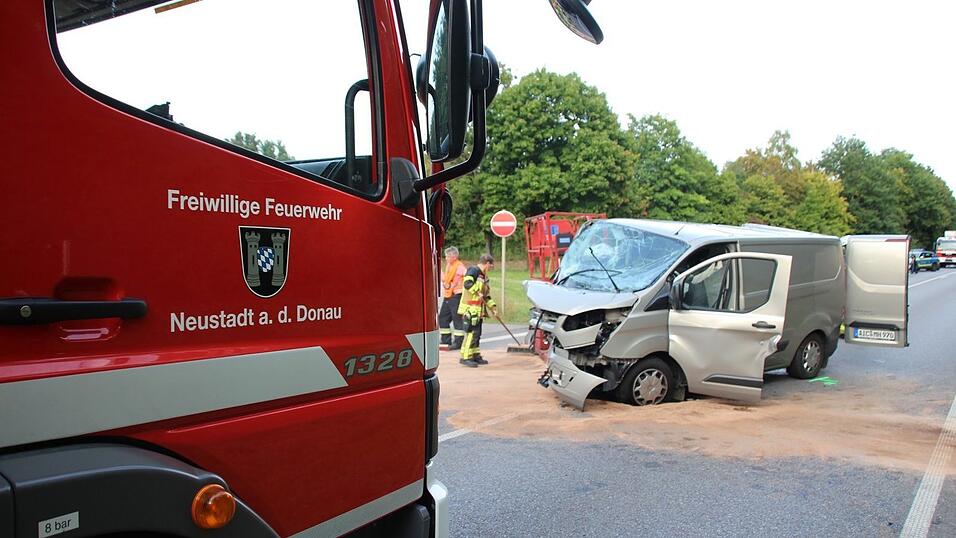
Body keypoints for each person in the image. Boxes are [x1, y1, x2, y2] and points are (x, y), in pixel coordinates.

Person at [457, 253, 496, 367]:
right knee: (471, 333)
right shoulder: (473, 270)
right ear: (487, 263)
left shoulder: (484, 277)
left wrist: (493, 308)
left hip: (478, 310)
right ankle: (465, 357)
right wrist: (476, 291)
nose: (491, 268)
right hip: (470, 309)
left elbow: (486, 296)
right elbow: (467, 284)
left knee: (477, 334)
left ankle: (475, 355)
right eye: (491, 266)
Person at [439, 246, 467, 349]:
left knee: (457, 319)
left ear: (454, 257)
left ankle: (458, 342)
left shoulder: (460, 267)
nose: (446, 258)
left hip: (456, 295)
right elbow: (445, 280)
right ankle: (445, 340)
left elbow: (467, 276)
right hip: (448, 295)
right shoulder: (449, 266)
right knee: (443, 317)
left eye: (447, 256)